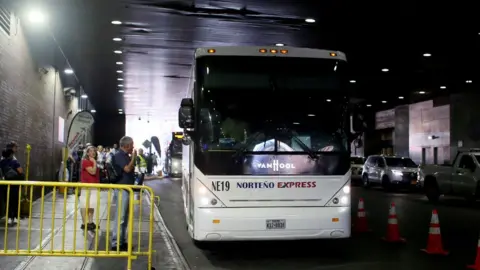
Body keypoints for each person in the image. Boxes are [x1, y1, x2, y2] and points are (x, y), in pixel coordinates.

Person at [111, 136, 136, 251]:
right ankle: (116, 243)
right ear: (126, 145)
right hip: (122, 189)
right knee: (120, 217)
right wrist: (134, 158)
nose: (133, 147)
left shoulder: (125, 156)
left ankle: (121, 241)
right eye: (132, 145)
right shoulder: (119, 156)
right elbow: (127, 169)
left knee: (125, 218)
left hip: (127, 189)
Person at [0, 148, 24, 225]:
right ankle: (16, 217)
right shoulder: (15, 162)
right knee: (15, 201)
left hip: (5, 185)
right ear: (11, 154)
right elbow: (20, 171)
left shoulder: (2, 162)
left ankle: (9, 218)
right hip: (15, 185)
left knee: (7, 201)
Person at [80, 145, 100, 231]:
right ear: (87, 153)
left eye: (94, 151)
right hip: (86, 186)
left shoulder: (94, 161)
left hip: (94, 185)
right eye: (91, 151)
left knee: (92, 204)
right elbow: (92, 171)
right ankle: (84, 223)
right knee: (85, 204)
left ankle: (91, 222)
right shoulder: (85, 161)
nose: (93, 152)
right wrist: (95, 163)